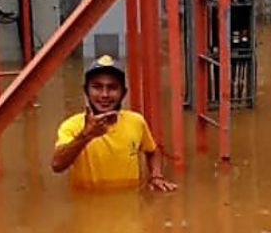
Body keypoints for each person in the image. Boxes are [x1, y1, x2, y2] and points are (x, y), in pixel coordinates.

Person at [51, 54, 177, 193]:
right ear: (86, 91)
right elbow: (57, 165)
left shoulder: (136, 121)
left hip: (129, 207)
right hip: (88, 207)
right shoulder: (72, 126)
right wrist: (85, 136)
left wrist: (156, 176)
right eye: (97, 87)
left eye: (112, 87)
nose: (105, 94)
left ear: (123, 93)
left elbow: (152, 151)